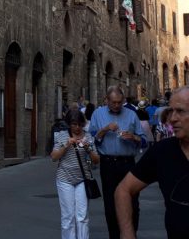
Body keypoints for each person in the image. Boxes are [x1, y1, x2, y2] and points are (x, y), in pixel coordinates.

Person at [115, 86, 189, 239]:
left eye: (180, 111)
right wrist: (127, 233)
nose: (172, 118)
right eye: (171, 111)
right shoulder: (163, 151)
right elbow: (123, 190)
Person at [89, 85, 145, 239]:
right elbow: (92, 140)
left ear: (123, 100)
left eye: (119, 102)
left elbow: (144, 140)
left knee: (133, 202)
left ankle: (131, 234)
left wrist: (133, 137)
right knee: (110, 203)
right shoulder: (97, 114)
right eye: (113, 102)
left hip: (128, 164)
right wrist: (105, 129)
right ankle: (114, 235)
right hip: (108, 164)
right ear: (107, 100)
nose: (116, 105)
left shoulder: (132, 115)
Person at [51, 109, 100, 239]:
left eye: (79, 124)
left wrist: (87, 148)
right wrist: (66, 145)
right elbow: (54, 157)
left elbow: (96, 160)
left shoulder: (88, 136)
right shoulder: (62, 135)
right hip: (65, 178)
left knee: (82, 216)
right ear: (69, 124)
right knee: (68, 216)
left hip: (83, 180)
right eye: (74, 124)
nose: (77, 127)